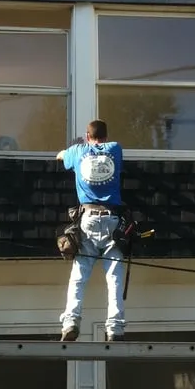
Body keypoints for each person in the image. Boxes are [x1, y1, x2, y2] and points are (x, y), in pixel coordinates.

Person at [56, 120, 125, 342]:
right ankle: (115, 329)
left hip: (88, 220)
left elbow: (61, 156)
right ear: (106, 136)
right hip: (112, 221)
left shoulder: (77, 152)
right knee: (114, 278)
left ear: (87, 136)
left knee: (79, 276)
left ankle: (71, 323)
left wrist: (65, 153)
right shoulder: (115, 149)